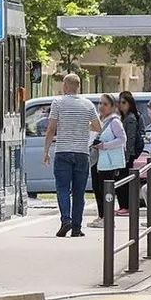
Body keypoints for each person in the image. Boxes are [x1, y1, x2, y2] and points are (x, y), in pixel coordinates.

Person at [42, 73, 100, 238]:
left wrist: (46, 151)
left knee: (62, 188)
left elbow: (51, 129)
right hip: (82, 153)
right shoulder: (88, 104)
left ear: (65, 87)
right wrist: (84, 124)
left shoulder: (58, 103)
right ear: (79, 86)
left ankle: (65, 219)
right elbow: (98, 126)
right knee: (79, 192)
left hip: (63, 151)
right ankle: (76, 228)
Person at [90, 93, 128, 217]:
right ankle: (102, 216)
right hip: (97, 160)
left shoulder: (114, 122)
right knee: (97, 189)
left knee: (105, 190)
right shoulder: (100, 121)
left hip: (108, 162)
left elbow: (122, 139)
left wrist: (105, 145)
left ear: (112, 107)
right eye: (100, 103)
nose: (101, 106)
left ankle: (107, 217)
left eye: (105, 104)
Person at [116, 91, 143, 214]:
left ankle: (126, 206)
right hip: (124, 154)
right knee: (121, 180)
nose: (121, 105)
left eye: (124, 102)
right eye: (120, 102)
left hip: (127, 155)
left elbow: (130, 139)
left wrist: (127, 157)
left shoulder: (131, 119)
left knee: (123, 180)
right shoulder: (125, 117)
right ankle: (124, 205)